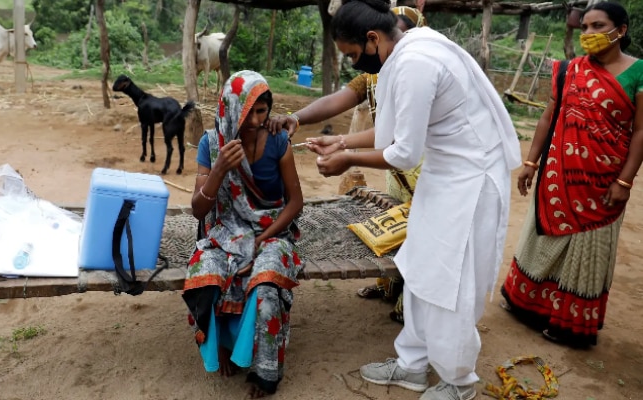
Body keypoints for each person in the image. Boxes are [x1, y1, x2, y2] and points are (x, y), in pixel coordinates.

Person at [306, 0, 522, 399]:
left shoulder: (416, 62)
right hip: (445, 175)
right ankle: (412, 365)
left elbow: (403, 153)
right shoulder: (407, 49)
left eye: (354, 55)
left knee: (451, 279)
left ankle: (459, 383)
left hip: (470, 181)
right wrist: (340, 141)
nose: (355, 63)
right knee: (422, 266)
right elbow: (394, 131)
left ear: (373, 39)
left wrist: (347, 158)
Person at [267, 5, 428, 324]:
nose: (356, 61)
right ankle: (392, 285)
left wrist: (346, 151)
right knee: (399, 228)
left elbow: (400, 138)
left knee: (423, 233)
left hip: (423, 169)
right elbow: (340, 100)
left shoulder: (415, 71)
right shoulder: (375, 72)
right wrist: (297, 118)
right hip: (397, 168)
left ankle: (413, 304)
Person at [500, 2, 643, 348]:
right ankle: (527, 305)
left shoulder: (638, 73)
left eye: (599, 26)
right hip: (558, 173)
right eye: (585, 28)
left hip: (603, 180)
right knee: (543, 237)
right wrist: (531, 163)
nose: (590, 35)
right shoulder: (568, 70)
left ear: (621, 30)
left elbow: (641, 131)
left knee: (587, 248)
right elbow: (549, 117)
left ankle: (570, 325)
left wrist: (624, 182)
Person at [182, 70, 304, 398]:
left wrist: (262, 241)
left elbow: (295, 203)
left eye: (263, 112)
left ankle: (264, 370)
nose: (255, 121)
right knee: (206, 274)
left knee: (266, 284)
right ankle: (222, 345)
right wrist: (219, 168)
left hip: (271, 229)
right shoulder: (211, 144)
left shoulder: (278, 142)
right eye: (247, 112)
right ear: (230, 109)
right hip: (224, 230)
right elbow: (198, 210)